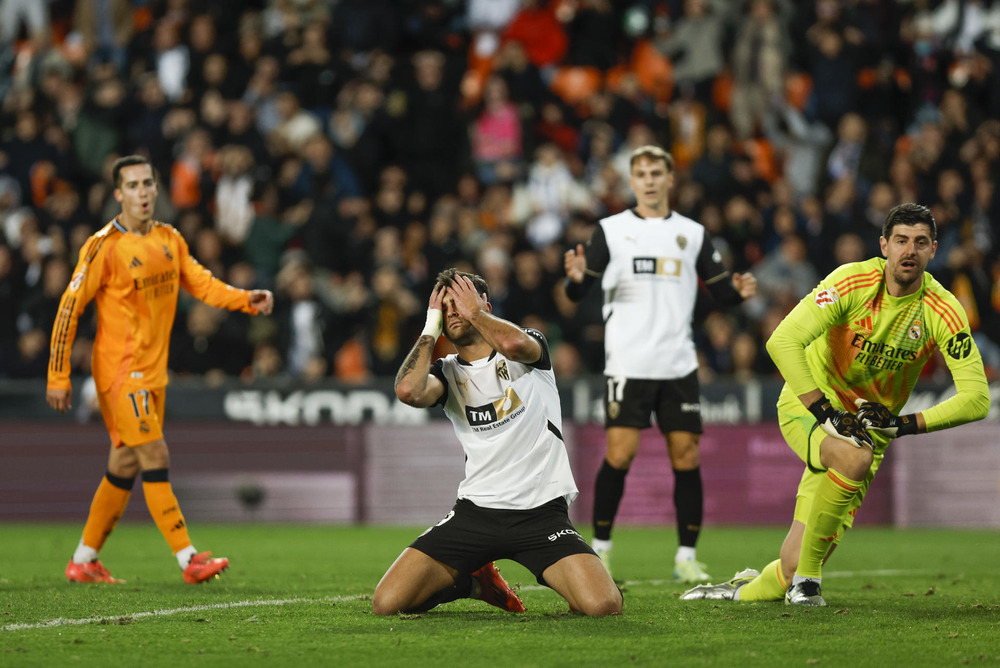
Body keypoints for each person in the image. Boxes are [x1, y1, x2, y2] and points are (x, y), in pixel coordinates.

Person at [681, 203, 990, 606]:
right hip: (809, 405)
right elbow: (782, 341)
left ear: (933, 250)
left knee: (791, 562)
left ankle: (740, 590)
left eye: (920, 242)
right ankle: (809, 585)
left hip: (866, 432)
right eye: (900, 241)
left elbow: (977, 397)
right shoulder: (851, 282)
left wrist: (901, 424)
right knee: (854, 458)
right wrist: (826, 412)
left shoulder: (942, 309)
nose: (909, 250)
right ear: (884, 246)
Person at [47, 155, 274, 584]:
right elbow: (68, 309)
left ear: (157, 189)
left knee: (125, 464)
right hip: (118, 372)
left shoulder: (170, 238)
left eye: (148, 183)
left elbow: (202, 283)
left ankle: (83, 559)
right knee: (155, 453)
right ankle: (189, 559)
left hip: (154, 373)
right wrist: (58, 375)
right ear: (118, 195)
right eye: (132, 185)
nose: (143, 192)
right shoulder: (103, 247)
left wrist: (245, 299)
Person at [373, 268, 622, 616]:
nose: (454, 311)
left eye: (461, 301)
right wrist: (430, 328)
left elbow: (514, 344)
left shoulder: (527, 345)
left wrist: (476, 313)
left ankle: (549, 570)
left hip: (540, 513)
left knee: (603, 606)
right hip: (475, 513)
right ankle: (472, 581)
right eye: (445, 307)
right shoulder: (446, 373)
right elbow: (407, 390)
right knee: (387, 604)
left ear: (484, 304)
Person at [563, 144, 757, 584]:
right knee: (621, 453)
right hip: (628, 363)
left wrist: (739, 292)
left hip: (677, 363)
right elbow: (579, 294)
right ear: (632, 182)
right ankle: (602, 551)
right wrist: (574, 280)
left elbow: (721, 290)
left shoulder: (692, 233)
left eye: (657, 173)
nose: (649, 180)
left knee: (686, 457)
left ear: (670, 180)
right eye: (642, 173)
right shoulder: (610, 231)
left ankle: (686, 556)